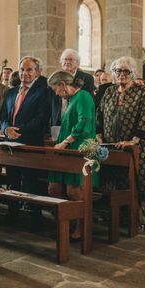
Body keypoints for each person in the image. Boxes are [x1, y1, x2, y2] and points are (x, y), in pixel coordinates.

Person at [96, 56, 145, 226]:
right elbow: (99, 115)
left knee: (136, 181)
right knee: (112, 181)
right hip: (111, 146)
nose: (121, 74)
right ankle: (116, 215)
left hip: (136, 146)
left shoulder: (141, 91)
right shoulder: (109, 91)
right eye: (118, 71)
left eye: (126, 71)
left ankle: (137, 215)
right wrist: (99, 134)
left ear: (132, 72)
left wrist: (134, 140)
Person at [46, 70, 97, 240]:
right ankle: (67, 223)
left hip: (78, 148)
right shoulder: (71, 99)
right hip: (65, 148)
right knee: (54, 188)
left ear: (62, 84)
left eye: (56, 88)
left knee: (74, 191)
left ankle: (81, 227)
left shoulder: (83, 96)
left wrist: (66, 141)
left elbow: (84, 122)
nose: (56, 92)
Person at [0, 57, 51, 205]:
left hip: (30, 143)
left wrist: (17, 130)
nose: (25, 73)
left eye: (29, 70)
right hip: (10, 144)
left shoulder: (43, 92)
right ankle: (13, 214)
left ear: (37, 73)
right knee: (12, 181)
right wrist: (6, 129)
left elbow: (41, 119)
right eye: (22, 69)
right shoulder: (10, 92)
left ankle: (35, 217)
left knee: (31, 183)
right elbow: (3, 117)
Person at [51, 49, 95, 125]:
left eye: (71, 60)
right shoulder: (56, 78)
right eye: (65, 59)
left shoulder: (87, 78)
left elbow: (87, 102)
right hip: (58, 121)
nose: (67, 62)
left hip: (77, 120)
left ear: (77, 63)